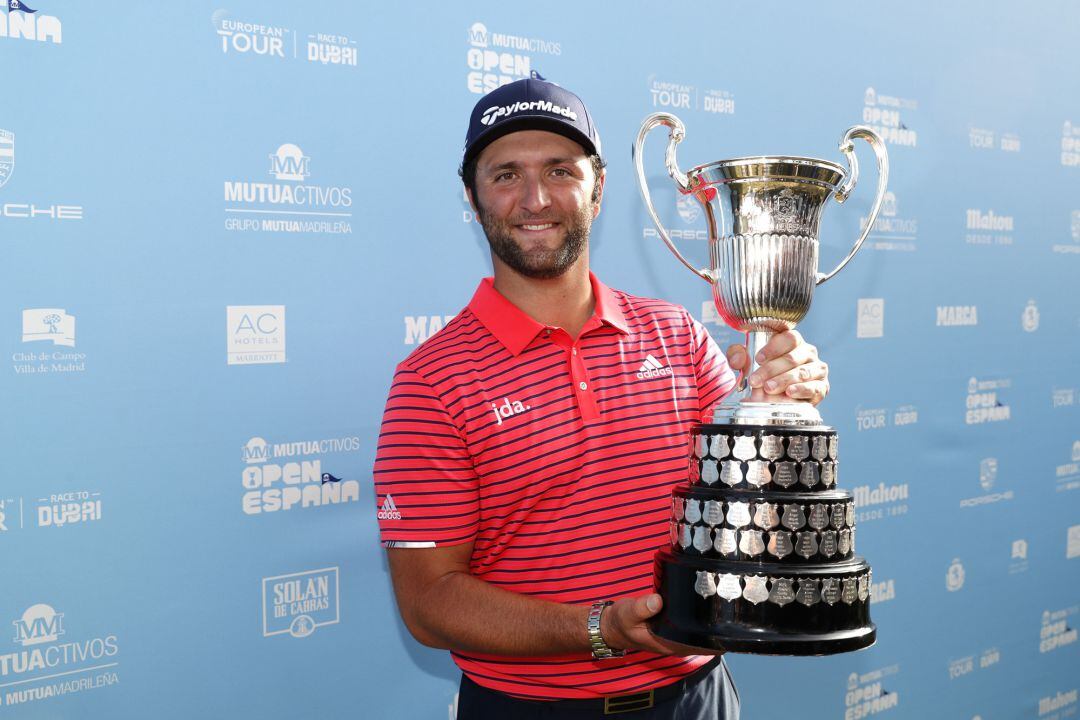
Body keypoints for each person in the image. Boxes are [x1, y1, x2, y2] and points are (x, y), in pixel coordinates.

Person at [373, 76, 830, 719]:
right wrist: (597, 629)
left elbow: (759, 512)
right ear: (474, 200)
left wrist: (782, 401)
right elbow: (429, 602)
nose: (535, 198)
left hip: (697, 699)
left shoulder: (679, 335)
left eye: (561, 169)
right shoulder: (432, 380)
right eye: (506, 175)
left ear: (599, 186)